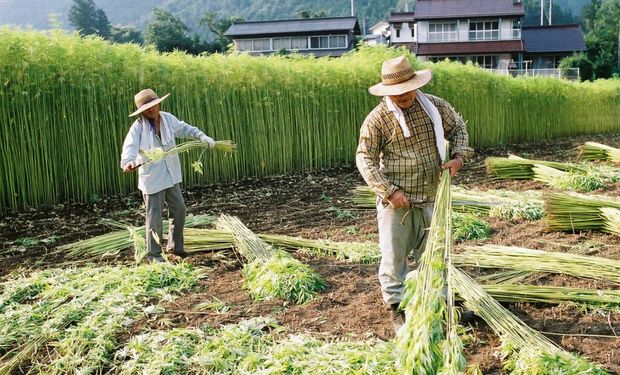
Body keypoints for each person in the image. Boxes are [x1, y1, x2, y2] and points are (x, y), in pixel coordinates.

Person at [355, 56, 473, 332]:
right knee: (394, 258)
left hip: (432, 196)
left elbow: (458, 129)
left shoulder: (434, 107)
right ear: (388, 92)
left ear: (415, 85)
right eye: (397, 92)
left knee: (434, 256)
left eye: (407, 89)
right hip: (398, 203)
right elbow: (365, 158)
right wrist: (389, 191)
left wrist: (458, 158)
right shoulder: (378, 120)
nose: (404, 95)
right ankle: (397, 309)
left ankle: (440, 307)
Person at [120, 88, 216, 263]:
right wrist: (129, 162)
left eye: (153, 105)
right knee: (154, 217)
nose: (151, 110)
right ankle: (154, 255)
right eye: (146, 108)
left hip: (171, 174)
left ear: (158, 103)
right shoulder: (139, 126)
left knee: (179, 209)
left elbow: (185, 129)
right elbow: (130, 148)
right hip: (153, 178)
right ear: (142, 111)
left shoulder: (167, 119)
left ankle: (175, 246)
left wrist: (201, 136)